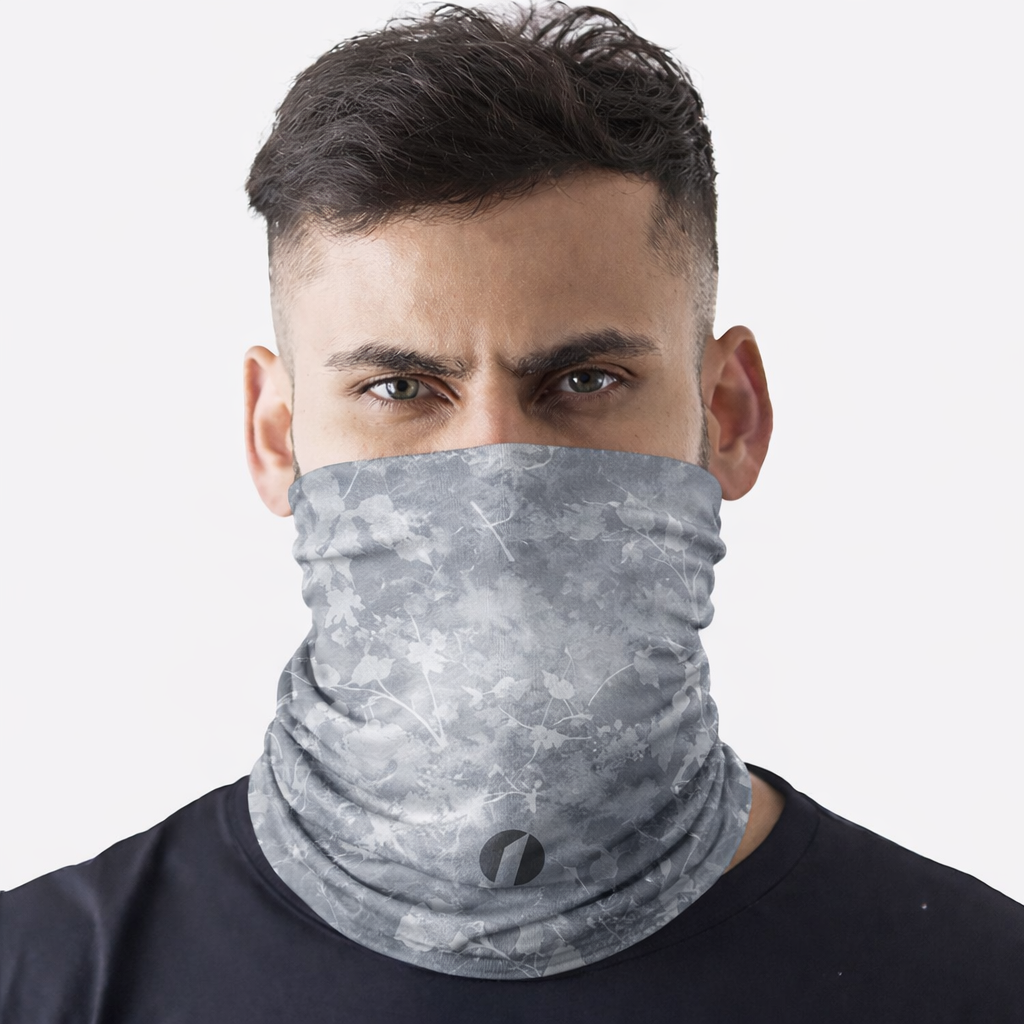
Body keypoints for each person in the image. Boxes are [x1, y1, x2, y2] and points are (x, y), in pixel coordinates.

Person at [1, 2, 1021, 1020]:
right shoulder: (40, 982)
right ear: (276, 436)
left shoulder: (977, 983)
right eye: (399, 388)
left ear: (729, 415)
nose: (498, 476)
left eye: (584, 379)